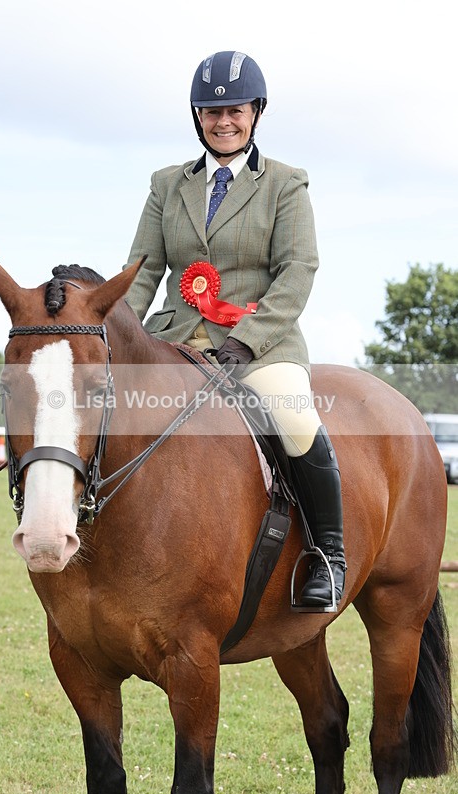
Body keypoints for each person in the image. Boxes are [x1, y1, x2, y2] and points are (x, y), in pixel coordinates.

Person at [124, 50, 346, 608]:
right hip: (175, 338)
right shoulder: (167, 185)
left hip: (258, 342)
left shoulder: (287, 185)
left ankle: (328, 555)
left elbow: (298, 271)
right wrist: (116, 336)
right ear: (196, 116)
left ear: (257, 112)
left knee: (293, 417)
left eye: (235, 109)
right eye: (210, 110)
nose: (223, 121)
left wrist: (247, 339)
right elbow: (144, 269)